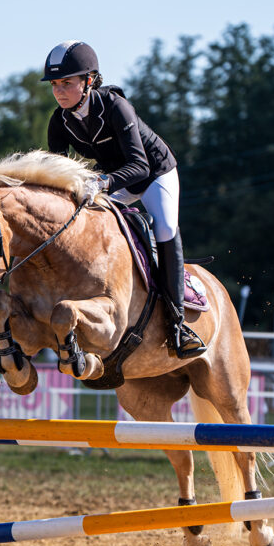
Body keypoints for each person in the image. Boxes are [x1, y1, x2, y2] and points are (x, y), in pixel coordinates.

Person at [42, 40, 206, 359]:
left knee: (164, 228)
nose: (59, 91)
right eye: (55, 85)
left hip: (155, 174)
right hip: (116, 181)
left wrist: (102, 182)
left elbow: (140, 165)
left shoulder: (116, 106)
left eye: (67, 83)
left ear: (89, 81)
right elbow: (57, 177)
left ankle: (177, 323)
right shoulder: (58, 122)